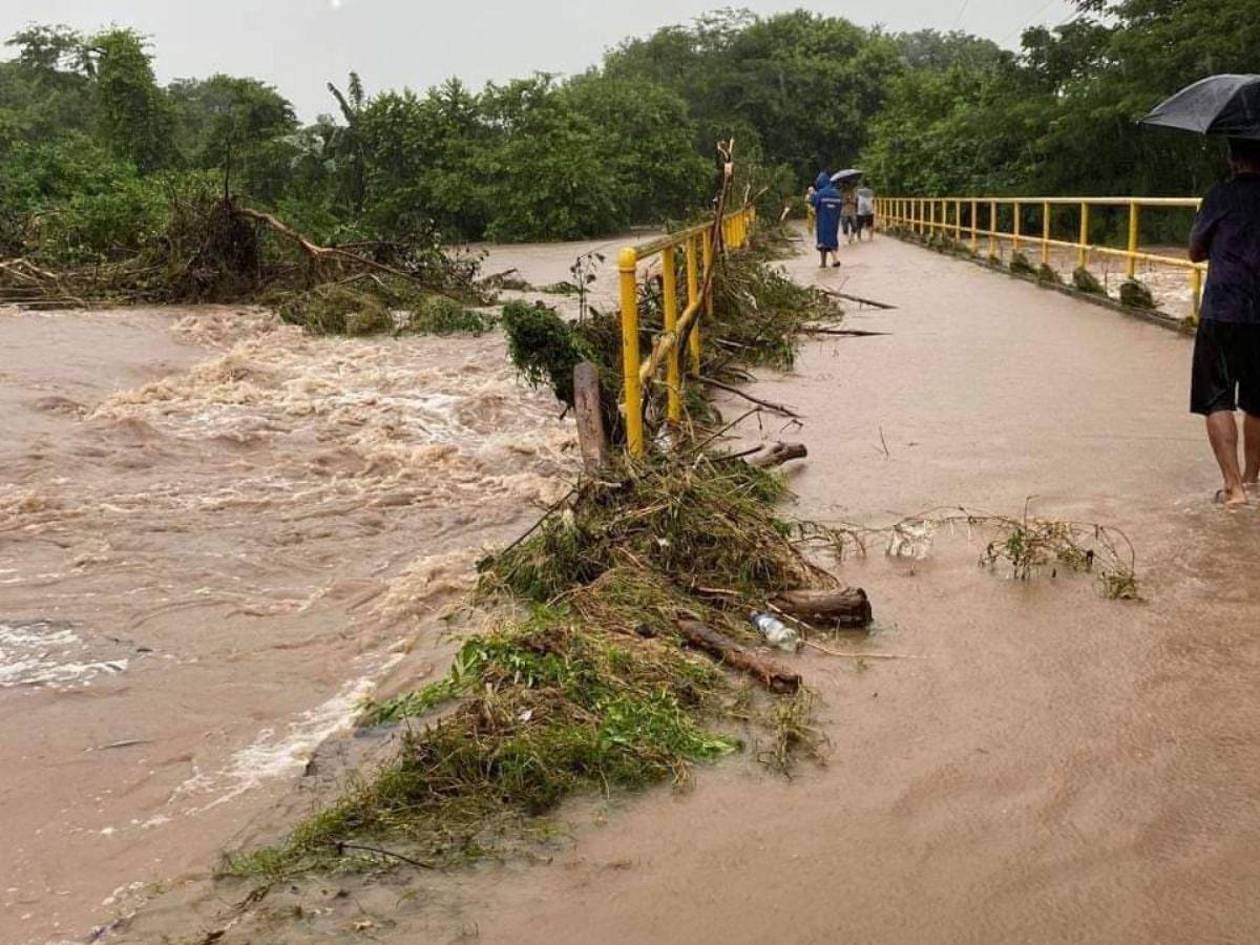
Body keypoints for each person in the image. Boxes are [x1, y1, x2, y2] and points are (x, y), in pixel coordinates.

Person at [1188, 136, 1260, 508]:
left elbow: (1194, 252)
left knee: (1216, 398)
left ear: (1233, 158)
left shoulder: (1219, 196)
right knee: (1258, 401)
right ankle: (1253, 480)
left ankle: (1234, 489)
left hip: (1223, 308)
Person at [809, 172, 842, 268]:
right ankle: (834, 259)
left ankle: (824, 263)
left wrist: (812, 194)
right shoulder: (837, 193)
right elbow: (840, 207)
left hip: (823, 221)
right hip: (834, 221)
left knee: (823, 242)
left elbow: (814, 203)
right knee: (832, 239)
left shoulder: (821, 193)